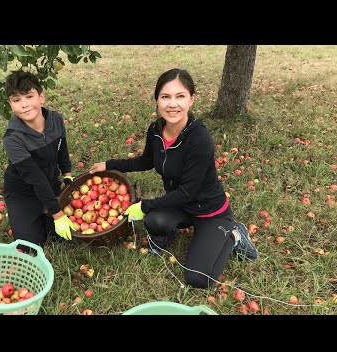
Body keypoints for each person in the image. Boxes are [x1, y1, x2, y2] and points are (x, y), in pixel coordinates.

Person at [90, 68, 258, 289]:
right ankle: (165, 234)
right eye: (165, 97)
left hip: (210, 212)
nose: (172, 104)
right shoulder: (156, 130)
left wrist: (145, 205)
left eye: (180, 97)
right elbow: (146, 161)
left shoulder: (200, 139)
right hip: (181, 205)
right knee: (153, 221)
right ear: (157, 100)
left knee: (198, 278)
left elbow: (188, 191)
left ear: (191, 100)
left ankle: (235, 235)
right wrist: (109, 165)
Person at [3, 70, 75, 251]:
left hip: (50, 185)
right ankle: (38, 214)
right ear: (10, 104)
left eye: (29, 96)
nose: (24, 105)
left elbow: (62, 148)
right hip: (23, 193)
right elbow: (35, 178)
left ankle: (45, 212)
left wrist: (67, 174)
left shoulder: (56, 120)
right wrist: (58, 216)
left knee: (64, 238)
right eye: (16, 100)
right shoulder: (13, 138)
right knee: (30, 246)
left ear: (41, 97)